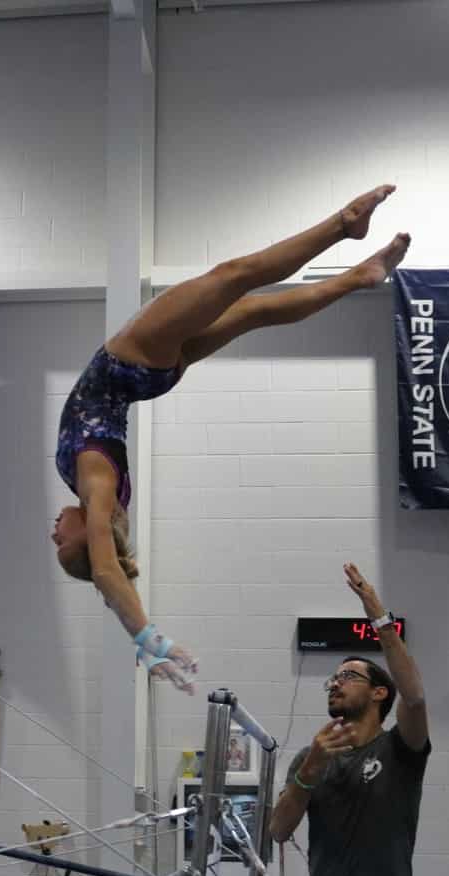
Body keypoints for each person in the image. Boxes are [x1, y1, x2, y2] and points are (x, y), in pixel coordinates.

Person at [50, 187, 411, 693]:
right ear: (91, 537)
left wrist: (142, 641)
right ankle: (343, 225)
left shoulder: (99, 495)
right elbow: (108, 572)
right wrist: (147, 638)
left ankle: (359, 276)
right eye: (64, 545)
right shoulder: (97, 486)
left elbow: (113, 575)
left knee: (253, 311)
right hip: (130, 362)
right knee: (233, 276)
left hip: (146, 377)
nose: (54, 535)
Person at [268, 563, 430, 876]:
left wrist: (379, 617)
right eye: (334, 679)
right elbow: (278, 830)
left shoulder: (400, 749)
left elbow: (415, 697)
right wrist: (309, 771)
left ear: (379, 692)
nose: (336, 683)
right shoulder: (311, 757)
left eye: (348, 676)